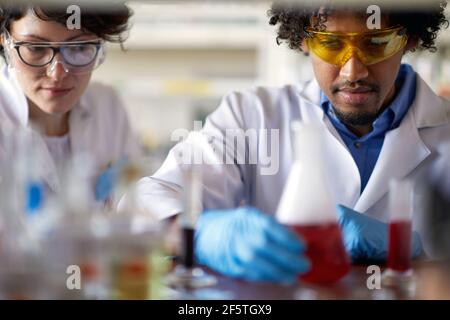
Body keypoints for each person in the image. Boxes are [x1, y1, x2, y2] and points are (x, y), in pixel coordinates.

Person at [121, 2, 450, 283]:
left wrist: (427, 255)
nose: (353, 71)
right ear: (304, 42)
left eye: (377, 43)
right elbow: (142, 205)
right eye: (331, 44)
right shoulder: (251, 114)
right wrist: (201, 233)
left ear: (410, 40)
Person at [0, 2, 141, 205]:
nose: (56, 74)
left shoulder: (107, 106)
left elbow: (133, 205)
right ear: (5, 41)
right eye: (35, 48)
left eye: (79, 47)